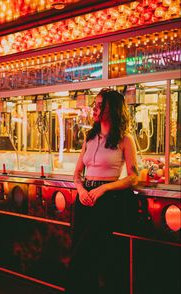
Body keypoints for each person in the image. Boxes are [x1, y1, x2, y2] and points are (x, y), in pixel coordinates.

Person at [65, 88, 139, 294]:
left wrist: (105, 188)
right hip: (84, 197)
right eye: (94, 105)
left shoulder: (125, 139)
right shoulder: (90, 138)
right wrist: (80, 190)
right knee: (78, 248)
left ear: (112, 109)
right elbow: (77, 173)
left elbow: (134, 176)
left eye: (100, 105)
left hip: (107, 199)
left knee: (89, 252)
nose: (95, 109)